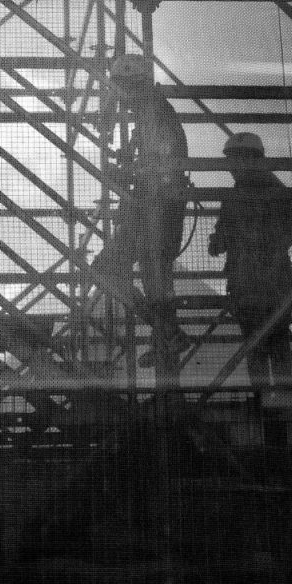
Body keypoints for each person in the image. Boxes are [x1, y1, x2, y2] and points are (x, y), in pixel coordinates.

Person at [93, 53, 191, 370]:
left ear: (132, 84)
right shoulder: (152, 112)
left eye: (120, 87)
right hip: (154, 205)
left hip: (155, 206)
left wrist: (125, 173)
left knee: (112, 269)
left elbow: (159, 164)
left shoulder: (153, 113)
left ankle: (166, 332)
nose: (118, 96)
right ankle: (165, 335)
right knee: (154, 276)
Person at [209, 132, 292, 405]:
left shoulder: (235, 196)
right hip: (277, 283)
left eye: (233, 161)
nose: (230, 168)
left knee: (256, 344)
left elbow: (219, 243)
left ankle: (264, 398)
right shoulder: (278, 190)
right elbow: (286, 236)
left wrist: (221, 240)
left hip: (247, 283)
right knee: (278, 341)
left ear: (245, 160)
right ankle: (283, 397)